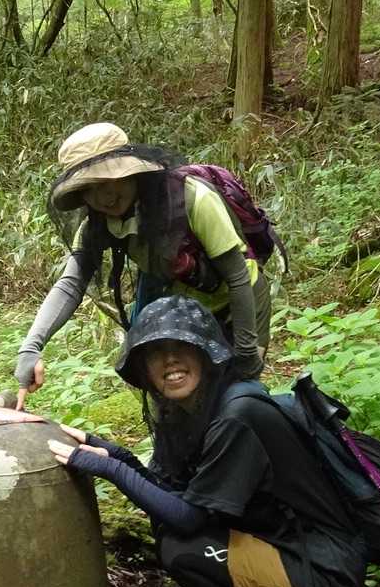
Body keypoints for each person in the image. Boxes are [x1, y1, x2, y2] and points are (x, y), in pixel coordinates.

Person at [47, 297, 367, 587]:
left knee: (182, 549)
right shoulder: (190, 411)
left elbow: (188, 518)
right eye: (156, 352)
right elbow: (172, 492)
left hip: (323, 576)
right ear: (143, 368)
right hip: (286, 548)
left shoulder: (238, 415)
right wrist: (120, 456)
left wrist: (111, 469)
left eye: (182, 346)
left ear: (206, 352)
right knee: (171, 530)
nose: (170, 361)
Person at [15, 122, 270, 409]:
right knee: (174, 403)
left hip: (238, 303)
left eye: (112, 180)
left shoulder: (191, 198)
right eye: (90, 189)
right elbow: (71, 284)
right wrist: (31, 347)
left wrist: (246, 352)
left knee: (238, 399)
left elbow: (238, 276)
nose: (105, 197)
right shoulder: (97, 225)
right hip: (182, 312)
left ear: (133, 172)